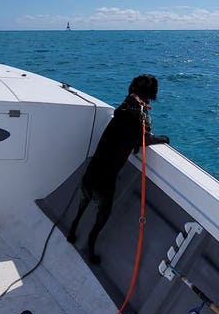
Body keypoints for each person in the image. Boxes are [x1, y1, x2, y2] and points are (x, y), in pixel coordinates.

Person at [67, 74, 169, 263]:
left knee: (83, 205)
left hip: (91, 172)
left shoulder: (123, 108)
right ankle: (91, 246)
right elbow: (142, 140)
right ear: (150, 93)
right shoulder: (137, 117)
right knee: (102, 215)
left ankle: (72, 230)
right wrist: (163, 139)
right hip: (105, 179)